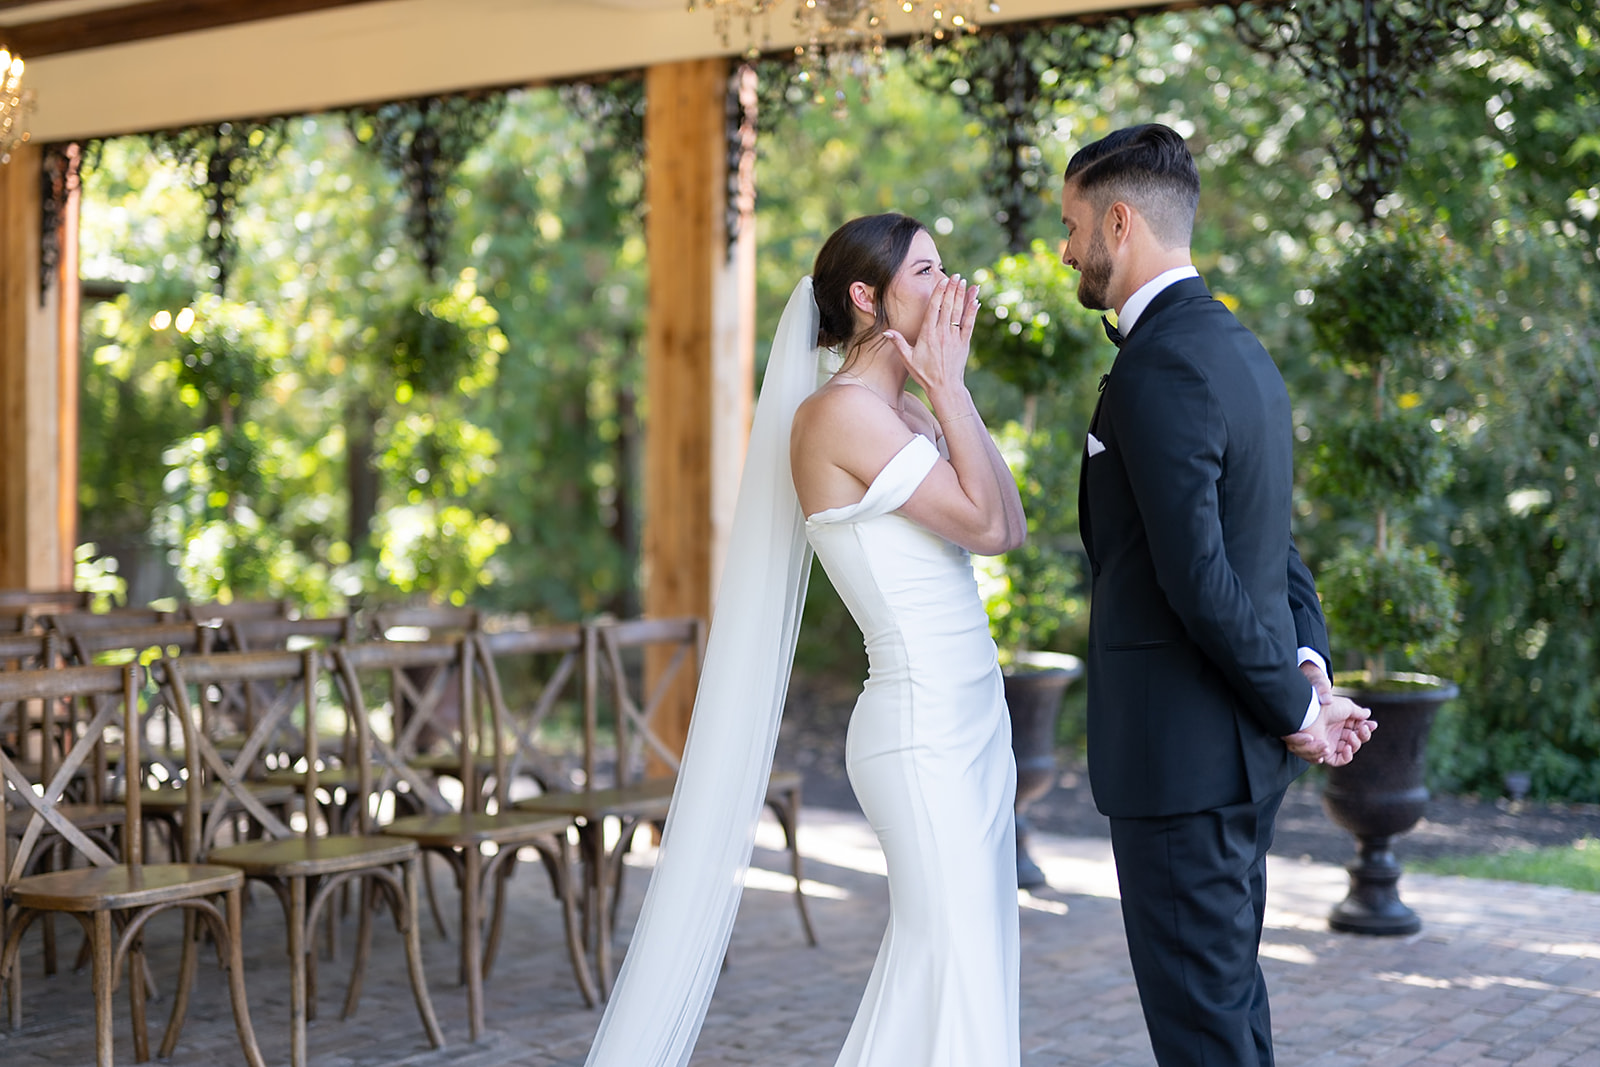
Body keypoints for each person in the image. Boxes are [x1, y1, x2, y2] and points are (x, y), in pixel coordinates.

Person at [581, 213, 1025, 1067]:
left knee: (967, 963)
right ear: (868, 296)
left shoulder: (910, 412)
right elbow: (987, 528)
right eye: (926, 272)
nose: (949, 287)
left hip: (973, 720)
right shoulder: (838, 416)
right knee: (953, 962)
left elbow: (1009, 519)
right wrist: (953, 390)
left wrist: (945, 393)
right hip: (919, 731)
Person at [1063, 122, 1375, 1067]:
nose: (1067, 250)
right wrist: (1307, 675)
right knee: (1227, 1012)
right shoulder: (1239, 348)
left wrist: (1296, 704)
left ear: (1120, 222)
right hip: (1229, 754)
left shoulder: (1159, 366)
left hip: (1181, 763)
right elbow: (1270, 544)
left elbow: (1199, 574)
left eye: (1073, 226)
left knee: (1204, 1031)